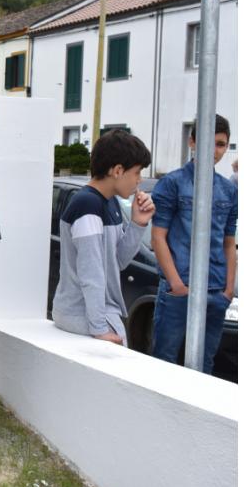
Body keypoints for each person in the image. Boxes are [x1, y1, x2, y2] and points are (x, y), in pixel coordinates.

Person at [149, 114, 238, 374]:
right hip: (180, 288)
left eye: (221, 144)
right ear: (192, 142)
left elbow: (229, 242)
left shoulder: (229, 190)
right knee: (165, 362)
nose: (214, 150)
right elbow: (158, 238)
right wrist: (177, 285)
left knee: (204, 367)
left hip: (216, 292)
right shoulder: (172, 183)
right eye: (208, 142)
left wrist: (228, 290)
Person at [51, 130, 154, 345]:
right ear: (117, 170)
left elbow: (117, 262)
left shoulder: (109, 201)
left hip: (94, 315)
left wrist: (138, 223)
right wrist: (99, 328)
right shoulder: (88, 205)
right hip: (85, 316)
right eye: (137, 172)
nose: (139, 180)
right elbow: (91, 271)